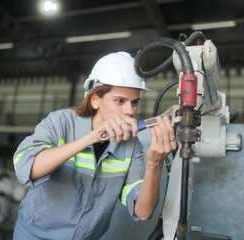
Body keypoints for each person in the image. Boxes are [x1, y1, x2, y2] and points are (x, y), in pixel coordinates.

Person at [12, 51, 177, 240]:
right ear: (95, 99)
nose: (130, 111)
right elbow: (27, 167)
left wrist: (154, 164)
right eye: (120, 101)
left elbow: (143, 211)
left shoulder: (132, 146)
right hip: (33, 236)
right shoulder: (60, 122)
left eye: (134, 102)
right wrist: (91, 138)